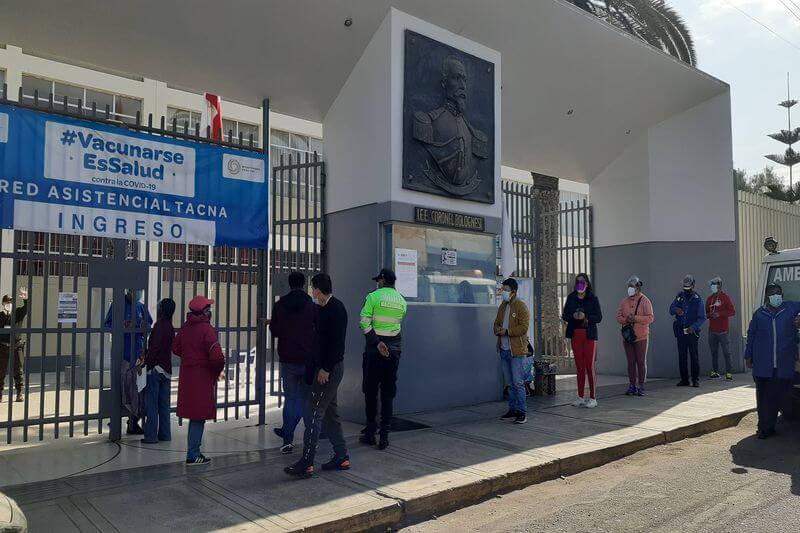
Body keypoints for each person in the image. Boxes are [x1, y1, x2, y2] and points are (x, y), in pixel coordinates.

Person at [285, 273, 349, 478]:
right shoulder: (321, 309)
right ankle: (342, 456)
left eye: (313, 289)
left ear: (319, 290)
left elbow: (336, 345)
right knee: (330, 414)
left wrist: (326, 369)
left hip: (329, 370)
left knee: (313, 415)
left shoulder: (336, 309)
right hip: (320, 368)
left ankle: (307, 462)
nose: (311, 292)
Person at [359, 269, 409, 448]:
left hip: (374, 350)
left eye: (378, 280)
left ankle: (370, 432)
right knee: (388, 393)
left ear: (382, 280)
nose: (377, 283)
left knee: (370, 391)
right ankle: (385, 436)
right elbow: (398, 322)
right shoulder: (402, 300)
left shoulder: (373, 297)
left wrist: (376, 341)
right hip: (393, 351)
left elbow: (364, 320)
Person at [744, 283, 800, 439]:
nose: (777, 296)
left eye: (779, 293)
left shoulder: (789, 309)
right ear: (767, 296)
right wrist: (748, 355)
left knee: (775, 396)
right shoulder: (759, 314)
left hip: (782, 364)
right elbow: (751, 336)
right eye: (774, 293)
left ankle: (767, 427)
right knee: (762, 397)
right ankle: (764, 427)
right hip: (762, 364)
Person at [173, 296, 224, 466]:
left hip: (187, 375)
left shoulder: (185, 328)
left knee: (194, 415)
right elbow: (217, 357)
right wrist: (216, 370)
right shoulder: (207, 330)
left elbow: (176, 348)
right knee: (198, 416)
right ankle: (193, 453)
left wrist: (190, 357)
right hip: (202, 377)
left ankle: (193, 452)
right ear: (206, 312)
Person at [269, 271, 317, 454]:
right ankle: (309, 440)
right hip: (307, 359)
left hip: (287, 358)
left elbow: (274, 330)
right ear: (304, 284)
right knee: (306, 400)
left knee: (290, 399)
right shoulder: (311, 306)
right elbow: (318, 328)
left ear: (289, 284)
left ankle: (287, 440)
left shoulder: (280, 305)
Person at [104, 289, 153, 434]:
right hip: (121, 353)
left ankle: (133, 423)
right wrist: (121, 325)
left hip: (137, 355)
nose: (138, 293)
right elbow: (107, 324)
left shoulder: (141, 307)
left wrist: (142, 327)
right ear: (129, 291)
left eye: (140, 291)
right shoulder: (117, 305)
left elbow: (149, 326)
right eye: (136, 291)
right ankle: (114, 421)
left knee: (135, 390)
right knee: (119, 388)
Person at [562, 273, 602, 408]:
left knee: (589, 366)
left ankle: (592, 397)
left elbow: (599, 317)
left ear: (587, 284)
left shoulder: (593, 298)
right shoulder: (571, 298)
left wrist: (586, 317)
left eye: (583, 282)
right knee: (579, 366)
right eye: (578, 282)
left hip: (589, 335)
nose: (580, 284)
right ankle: (579, 396)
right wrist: (573, 316)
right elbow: (565, 315)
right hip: (575, 334)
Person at [493, 278, 530, 424]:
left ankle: (522, 412)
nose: (503, 292)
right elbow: (496, 322)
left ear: (513, 292)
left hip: (516, 350)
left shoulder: (521, 306)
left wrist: (507, 331)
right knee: (509, 382)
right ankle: (512, 409)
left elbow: (523, 327)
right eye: (503, 289)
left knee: (517, 382)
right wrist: (496, 329)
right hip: (504, 349)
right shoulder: (503, 306)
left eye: (506, 289)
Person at [141, 298, 176, 444]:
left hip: (155, 368)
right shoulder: (170, 326)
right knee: (164, 405)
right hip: (166, 369)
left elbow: (154, 347)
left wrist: (147, 363)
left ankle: (151, 436)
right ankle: (165, 434)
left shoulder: (159, 325)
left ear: (162, 309)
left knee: (152, 404)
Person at [615, 276, 654, 396]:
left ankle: (641, 385)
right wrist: (626, 319)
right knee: (631, 362)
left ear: (638, 287)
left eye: (632, 287)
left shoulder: (645, 301)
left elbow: (650, 317)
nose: (630, 289)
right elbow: (618, 317)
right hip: (628, 337)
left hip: (641, 336)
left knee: (641, 362)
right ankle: (632, 385)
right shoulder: (624, 301)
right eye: (629, 287)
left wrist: (635, 318)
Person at [669, 275, 706, 388]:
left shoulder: (697, 299)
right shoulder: (679, 297)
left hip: (692, 332)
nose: (686, 289)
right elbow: (671, 309)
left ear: (693, 285)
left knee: (694, 356)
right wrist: (676, 310)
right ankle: (684, 379)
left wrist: (693, 327)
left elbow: (702, 317)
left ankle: (695, 380)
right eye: (685, 287)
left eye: (688, 286)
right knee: (682, 355)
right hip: (681, 330)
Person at [0, 288, 28, 403]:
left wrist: (26, 299)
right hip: (2, 347)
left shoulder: (18, 314)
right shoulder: (0, 316)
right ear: (3, 304)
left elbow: (26, 309)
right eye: (7, 302)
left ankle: (19, 393)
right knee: (0, 372)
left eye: (11, 302)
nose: (9, 304)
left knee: (18, 371)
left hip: (16, 346)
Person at [705, 276, 736, 381]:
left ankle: (729, 373)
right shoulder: (709, 299)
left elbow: (732, 311)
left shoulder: (725, 298)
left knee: (726, 352)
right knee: (714, 352)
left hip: (723, 331)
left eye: (714, 285)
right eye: (711, 286)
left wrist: (719, 314)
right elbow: (705, 314)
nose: (712, 287)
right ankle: (715, 371)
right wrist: (710, 315)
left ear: (719, 286)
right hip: (712, 331)